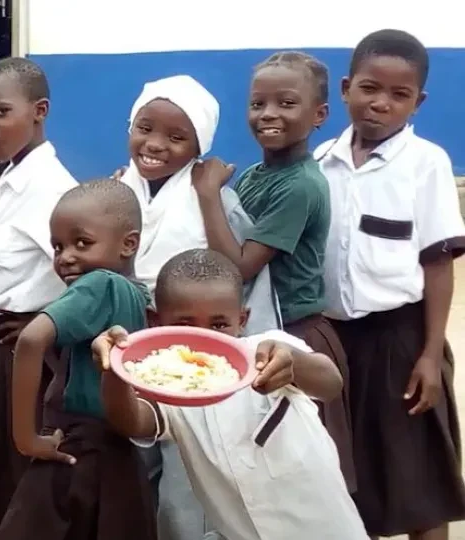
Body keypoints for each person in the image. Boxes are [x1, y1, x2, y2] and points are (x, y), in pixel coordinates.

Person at [91, 248, 368, 540]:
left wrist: (294, 364)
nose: (204, 338)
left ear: (242, 320)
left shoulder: (269, 351)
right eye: (184, 325)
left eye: (219, 325)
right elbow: (132, 421)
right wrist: (113, 369)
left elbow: (330, 383)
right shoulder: (167, 383)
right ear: (155, 321)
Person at [315, 29, 465, 540]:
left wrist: (430, 355)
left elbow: (438, 265)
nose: (381, 103)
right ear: (345, 89)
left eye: (399, 95)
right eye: (369, 88)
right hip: (337, 343)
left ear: (417, 102)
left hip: (402, 341)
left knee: (418, 486)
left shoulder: (426, 164)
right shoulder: (321, 163)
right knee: (354, 483)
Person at [116, 74, 278, 540]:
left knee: (187, 476)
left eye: (176, 137)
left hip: (195, 362)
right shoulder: (117, 193)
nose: (155, 144)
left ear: (198, 147)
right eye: (145, 128)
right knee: (133, 462)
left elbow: (244, 285)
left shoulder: (217, 202)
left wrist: (244, 362)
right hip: (129, 352)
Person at [191, 51, 354, 492]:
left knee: (301, 472)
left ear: (319, 115)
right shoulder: (254, 175)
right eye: (257, 103)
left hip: (296, 337)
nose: (268, 114)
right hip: (261, 328)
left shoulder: (301, 185)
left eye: (286, 103)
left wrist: (208, 196)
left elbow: (239, 267)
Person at [0, 57, 77, 540]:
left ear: (39, 110)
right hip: (0, 353)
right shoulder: (13, 177)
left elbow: (90, 279)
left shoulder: (50, 190)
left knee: (17, 490)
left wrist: (46, 322)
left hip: (30, 361)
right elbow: (13, 281)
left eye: (0, 112)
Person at [0, 180, 156, 540]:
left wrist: (26, 439)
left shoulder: (101, 284)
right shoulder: (138, 295)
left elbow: (31, 339)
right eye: (58, 246)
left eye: (82, 242)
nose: (66, 256)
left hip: (75, 447)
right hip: (118, 450)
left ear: (128, 244)